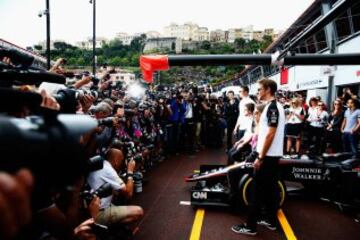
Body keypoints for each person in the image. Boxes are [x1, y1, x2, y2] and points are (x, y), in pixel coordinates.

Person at [231, 79, 285, 236]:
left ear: (268, 89)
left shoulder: (273, 107)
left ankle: (250, 227)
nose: (258, 92)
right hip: (271, 156)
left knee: (256, 191)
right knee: (271, 190)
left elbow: (271, 134)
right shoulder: (274, 106)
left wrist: (260, 157)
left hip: (267, 157)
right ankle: (271, 221)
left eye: (260, 89)